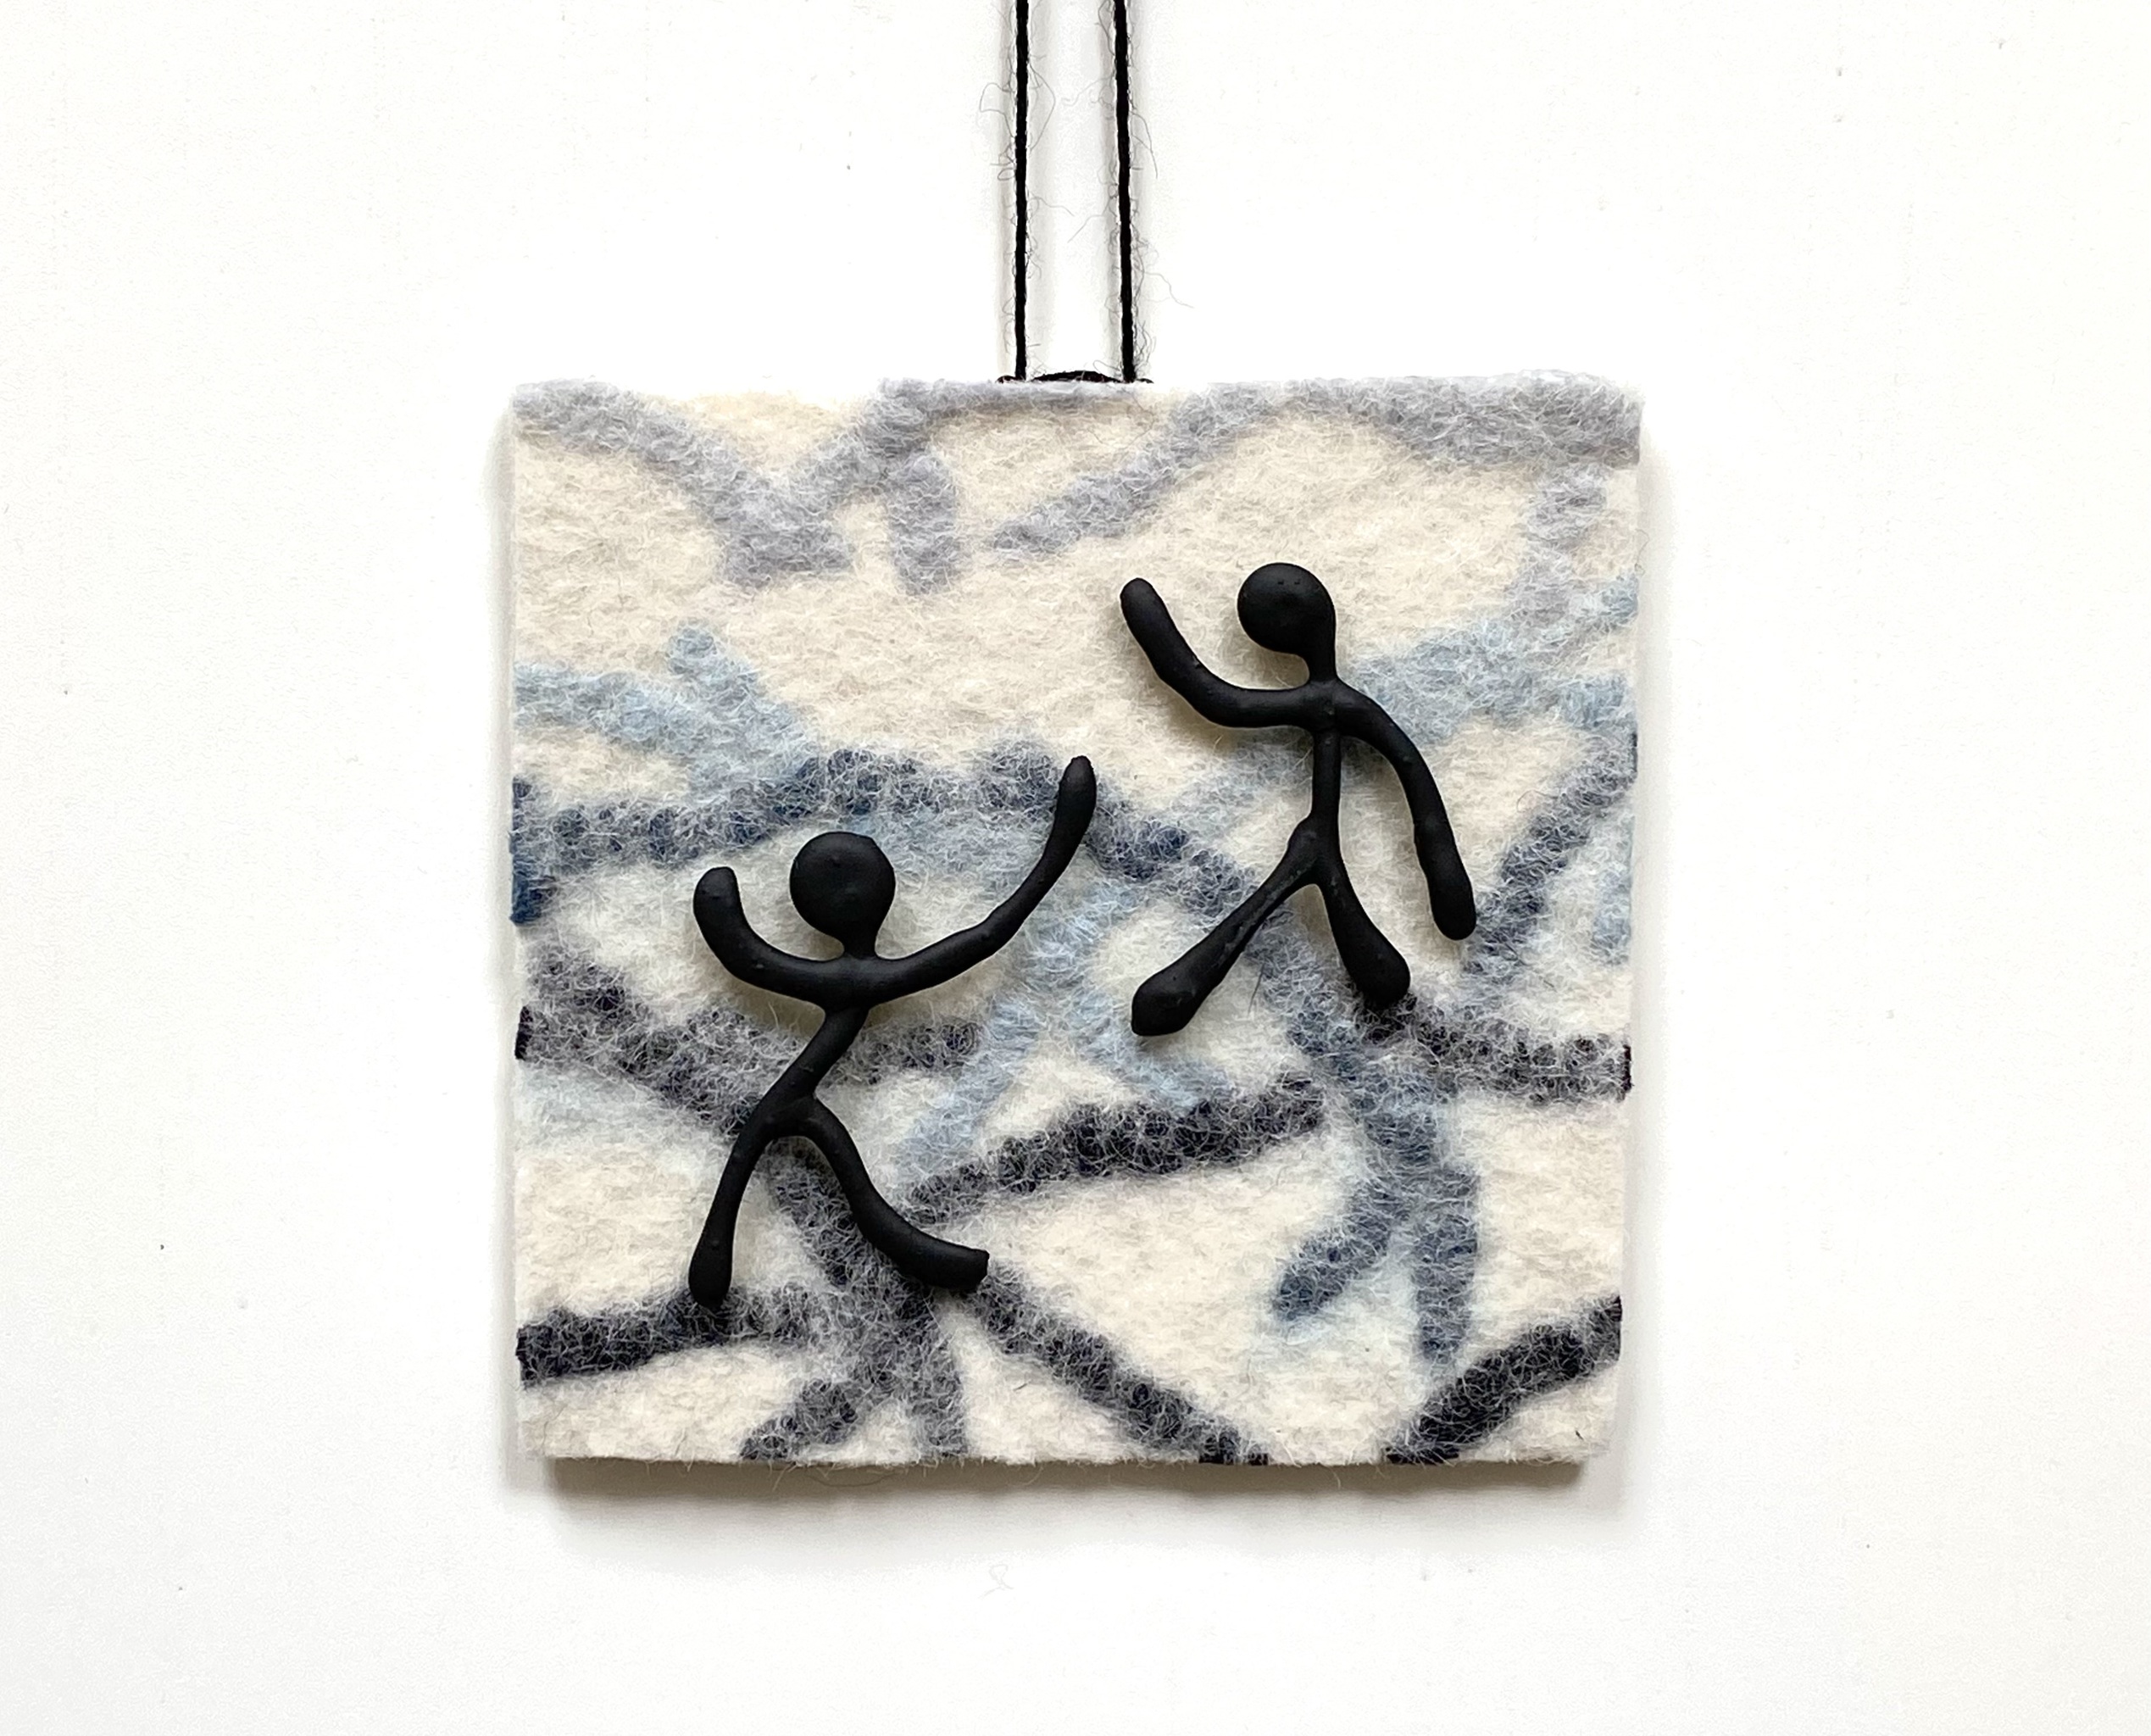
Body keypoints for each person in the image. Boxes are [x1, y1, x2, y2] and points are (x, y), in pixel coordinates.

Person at [686, 756, 1096, 1310]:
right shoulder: (883, 975)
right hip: (797, 1096)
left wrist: (720, 905)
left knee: (798, 1161)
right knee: (841, 1179)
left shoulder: (825, 975)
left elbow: (742, 953)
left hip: (793, 1094)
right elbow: (988, 934)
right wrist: (1057, 850)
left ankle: (724, 1251)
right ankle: (905, 1251)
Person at [1120, 564, 1475, 1036]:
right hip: (1315, 834)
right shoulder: (1351, 704)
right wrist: (1445, 875)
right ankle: (1323, 886)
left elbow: (1208, 693)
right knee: (1318, 871)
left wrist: (1153, 626)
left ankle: (1183, 988)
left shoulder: (1341, 704)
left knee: (1305, 872)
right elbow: (1414, 779)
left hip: (1314, 834)